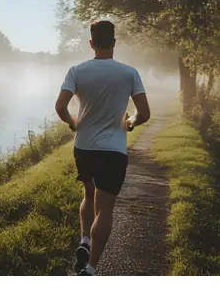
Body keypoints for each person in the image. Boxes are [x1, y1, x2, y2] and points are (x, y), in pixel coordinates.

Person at [54, 20, 151, 276]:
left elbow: (60, 107)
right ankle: (91, 268)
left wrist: (74, 124)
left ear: (91, 43)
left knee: (88, 194)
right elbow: (144, 113)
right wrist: (129, 123)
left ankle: (84, 240)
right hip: (114, 151)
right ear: (114, 43)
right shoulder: (129, 73)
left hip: (84, 147)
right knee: (105, 208)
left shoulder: (77, 71)